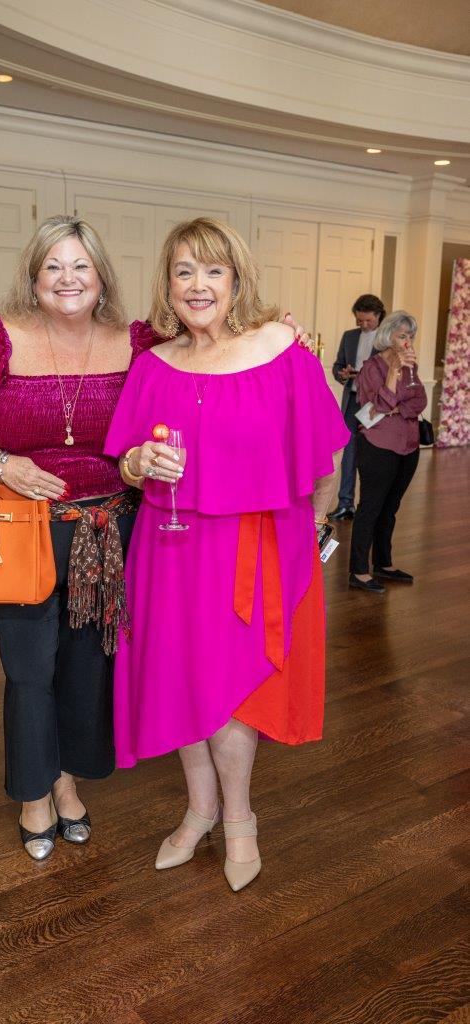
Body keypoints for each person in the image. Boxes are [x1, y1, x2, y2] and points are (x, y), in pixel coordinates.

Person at [104, 218, 349, 892]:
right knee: (180, 676)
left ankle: (239, 818)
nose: (199, 285)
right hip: (169, 547)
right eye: (184, 271)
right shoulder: (153, 364)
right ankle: (198, 809)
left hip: (252, 547)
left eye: (213, 270)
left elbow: (325, 454)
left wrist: (316, 530)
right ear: (168, 285)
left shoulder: (280, 349)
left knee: (235, 687)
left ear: (237, 280)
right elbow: (126, 463)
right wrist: (136, 462)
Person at [0, 215, 143, 860]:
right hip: (18, 531)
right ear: (33, 278)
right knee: (28, 669)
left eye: (81, 266)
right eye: (53, 267)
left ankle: (66, 780)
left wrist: (278, 332)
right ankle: (34, 794)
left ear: (101, 277)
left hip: (107, 531)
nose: (68, 279)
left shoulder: (138, 341)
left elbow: (209, 351)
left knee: (87, 666)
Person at [348, 311, 426, 593]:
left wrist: (397, 408)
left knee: (390, 507)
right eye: (402, 335)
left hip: (409, 445)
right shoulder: (372, 368)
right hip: (378, 446)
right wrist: (393, 373)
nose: (408, 342)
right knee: (370, 508)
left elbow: (420, 401)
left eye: (411, 336)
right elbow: (378, 407)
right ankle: (358, 571)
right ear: (387, 336)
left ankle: (384, 563)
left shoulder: (411, 366)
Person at [329, 294, 386, 520]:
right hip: (352, 402)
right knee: (348, 454)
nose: (363, 325)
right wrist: (342, 374)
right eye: (359, 320)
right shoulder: (349, 336)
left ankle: (370, 505)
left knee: (371, 455)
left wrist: (362, 374)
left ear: (379, 316)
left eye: (368, 321)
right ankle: (345, 504)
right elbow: (337, 366)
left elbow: (388, 374)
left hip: (374, 404)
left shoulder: (386, 339)